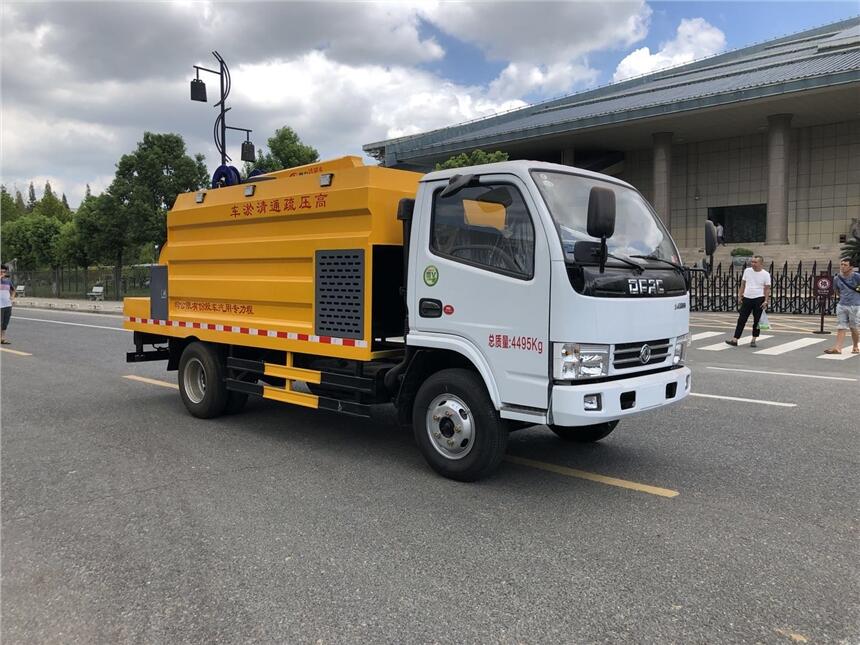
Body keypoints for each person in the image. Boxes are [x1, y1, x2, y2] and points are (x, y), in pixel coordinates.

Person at [726, 255, 771, 348]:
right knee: (741, 319)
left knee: (757, 321)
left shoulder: (765, 274)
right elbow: (743, 284)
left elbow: (767, 289)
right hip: (747, 297)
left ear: (761, 263)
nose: (753, 264)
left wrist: (766, 301)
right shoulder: (747, 271)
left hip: (759, 298)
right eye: (752, 262)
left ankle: (754, 339)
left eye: (755, 262)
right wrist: (740, 295)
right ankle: (735, 339)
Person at [823, 257, 860, 354]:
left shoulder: (856, 277)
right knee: (841, 326)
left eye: (845, 265)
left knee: (853, 327)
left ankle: (855, 346)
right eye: (841, 264)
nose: (842, 266)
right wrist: (843, 297)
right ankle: (838, 348)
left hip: (855, 306)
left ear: (851, 267)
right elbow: (836, 290)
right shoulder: (837, 278)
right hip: (842, 305)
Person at [0, 264, 15, 345]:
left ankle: (2, 338)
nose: (3, 272)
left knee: (5, 322)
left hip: (7, 305)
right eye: (1, 271)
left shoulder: (8, 280)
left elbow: (13, 290)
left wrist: (12, 297)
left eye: (4, 271)